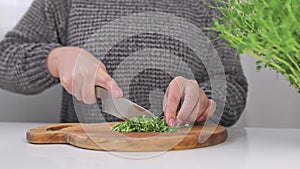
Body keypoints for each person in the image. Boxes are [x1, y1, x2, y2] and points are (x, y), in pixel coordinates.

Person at [0, 0, 248, 127]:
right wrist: (55, 59)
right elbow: (5, 58)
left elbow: (232, 84)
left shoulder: (212, 4)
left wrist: (205, 100)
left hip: (184, 157)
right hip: (82, 159)